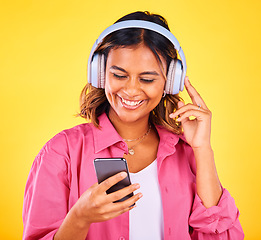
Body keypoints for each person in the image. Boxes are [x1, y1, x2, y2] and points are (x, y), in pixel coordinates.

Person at [22, 11, 244, 240]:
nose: (131, 90)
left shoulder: (185, 151)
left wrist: (202, 149)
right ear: (99, 73)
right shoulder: (61, 152)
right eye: (119, 75)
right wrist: (80, 217)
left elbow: (223, 236)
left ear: (170, 81)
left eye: (147, 79)